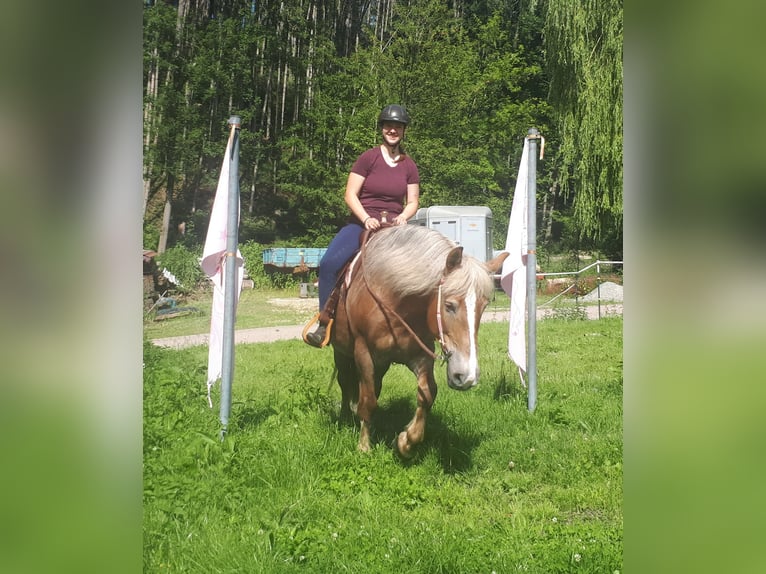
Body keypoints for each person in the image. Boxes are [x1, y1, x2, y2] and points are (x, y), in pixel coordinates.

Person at [305, 104, 420, 347]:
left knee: (424, 269)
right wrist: (366, 217)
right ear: (382, 129)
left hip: (395, 228)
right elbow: (350, 194)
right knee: (328, 264)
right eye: (388, 126)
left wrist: (404, 217)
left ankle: (420, 325)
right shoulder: (368, 158)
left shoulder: (409, 165)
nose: (392, 130)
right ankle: (326, 322)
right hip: (362, 223)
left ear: (403, 131)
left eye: (397, 127)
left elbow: (413, 202)